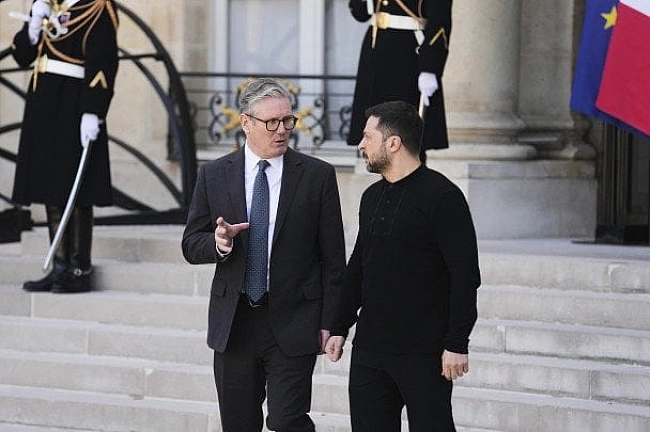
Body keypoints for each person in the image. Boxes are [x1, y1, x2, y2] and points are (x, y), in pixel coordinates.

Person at [182, 78, 347, 432]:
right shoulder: (214, 174)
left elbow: (334, 258)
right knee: (238, 424)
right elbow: (191, 243)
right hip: (235, 322)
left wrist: (332, 323)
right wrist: (219, 244)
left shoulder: (317, 176)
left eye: (288, 120)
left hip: (294, 318)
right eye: (272, 122)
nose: (282, 130)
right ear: (246, 122)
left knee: (288, 421)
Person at [326, 100, 480, 431]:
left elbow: (465, 275)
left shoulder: (443, 197)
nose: (361, 144)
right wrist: (339, 325)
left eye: (368, 137)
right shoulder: (371, 197)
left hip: (424, 352)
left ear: (393, 143)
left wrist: (457, 342)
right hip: (370, 350)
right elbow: (359, 266)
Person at [12, 0, 119, 293]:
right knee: (51, 185)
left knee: (77, 189)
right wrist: (33, 27)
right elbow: (22, 56)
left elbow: (104, 61)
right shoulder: (48, 4)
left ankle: (79, 268)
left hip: (74, 104)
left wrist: (93, 110)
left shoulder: (98, 7)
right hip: (44, 103)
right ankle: (59, 265)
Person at [346, 0, 452, 161]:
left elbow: (439, 22)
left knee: (406, 134)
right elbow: (360, 13)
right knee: (377, 132)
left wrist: (429, 68)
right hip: (376, 51)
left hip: (407, 55)